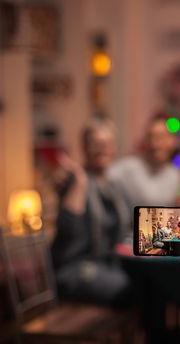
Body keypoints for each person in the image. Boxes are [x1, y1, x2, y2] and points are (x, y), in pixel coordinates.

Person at [51, 118, 131, 307]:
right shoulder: (74, 182)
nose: (102, 148)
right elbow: (68, 230)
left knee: (151, 282)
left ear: (114, 149)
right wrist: (79, 181)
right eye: (96, 143)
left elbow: (129, 228)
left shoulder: (114, 188)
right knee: (133, 288)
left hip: (106, 267)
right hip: (74, 270)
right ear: (85, 148)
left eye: (107, 143)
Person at [108, 114, 180, 243]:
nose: (155, 144)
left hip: (161, 246)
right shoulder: (127, 168)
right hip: (129, 245)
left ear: (172, 141)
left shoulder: (175, 175)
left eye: (160, 138)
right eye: (151, 137)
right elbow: (100, 175)